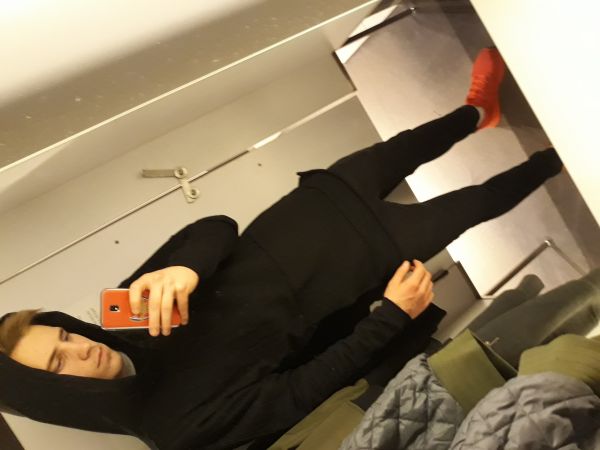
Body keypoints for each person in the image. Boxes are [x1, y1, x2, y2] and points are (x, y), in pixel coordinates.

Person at [0, 48, 563, 450]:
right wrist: (390, 317)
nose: (81, 350)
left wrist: (185, 268)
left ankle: (476, 112)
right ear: (52, 396)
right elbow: (300, 391)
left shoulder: (126, 311)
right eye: (58, 364)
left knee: (404, 147)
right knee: (476, 203)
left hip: (307, 212)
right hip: (354, 268)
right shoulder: (173, 429)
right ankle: (558, 157)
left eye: (64, 337)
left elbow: (216, 227)